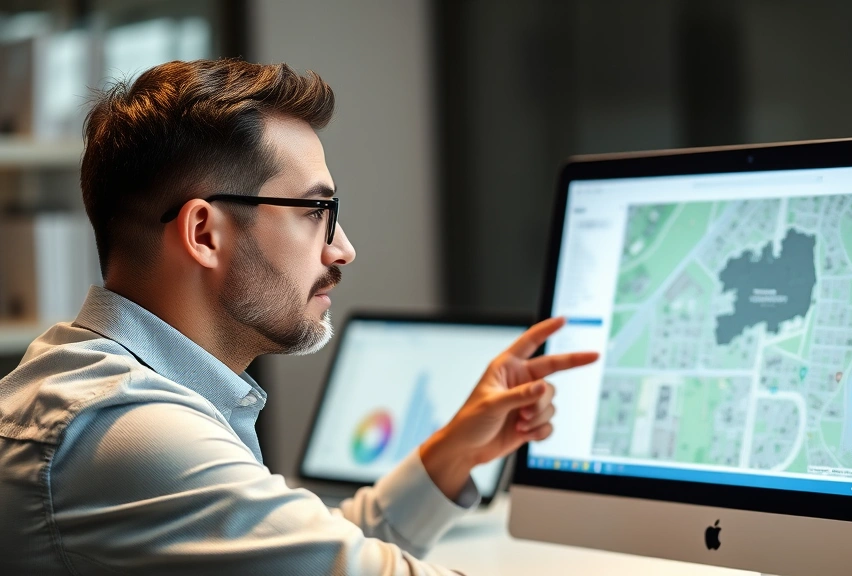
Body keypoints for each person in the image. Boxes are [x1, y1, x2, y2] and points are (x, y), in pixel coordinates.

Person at [0, 59, 598, 575]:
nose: (343, 249)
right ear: (205, 232)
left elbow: (306, 553)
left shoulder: (107, 385)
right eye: (317, 210)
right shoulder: (124, 433)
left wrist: (453, 454)